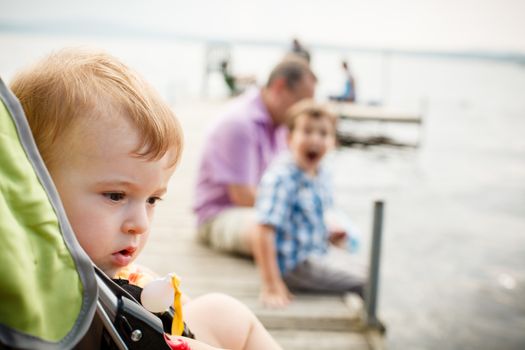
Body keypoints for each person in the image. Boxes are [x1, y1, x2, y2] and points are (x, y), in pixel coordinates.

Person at [10, 48, 282, 350]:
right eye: (115, 196)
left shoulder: (104, 266)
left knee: (226, 314)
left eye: (153, 200)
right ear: (36, 185)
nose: (140, 224)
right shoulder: (34, 284)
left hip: (135, 327)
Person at [193, 57, 317, 257]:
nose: (304, 111)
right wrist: (299, 213)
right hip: (220, 215)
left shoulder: (280, 124)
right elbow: (242, 196)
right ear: (279, 87)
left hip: (259, 208)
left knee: (332, 225)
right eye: (301, 102)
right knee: (278, 229)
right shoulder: (239, 123)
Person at [252, 99, 367, 308]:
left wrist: (330, 234)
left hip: (318, 251)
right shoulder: (281, 178)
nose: (315, 139)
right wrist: (271, 283)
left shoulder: (321, 174)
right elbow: (262, 230)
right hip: (296, 266)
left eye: (323, 134)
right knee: (366, 283)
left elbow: (308, 219)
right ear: (289, 138)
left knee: (370, 270)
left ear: (333, 142)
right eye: (306, 131)